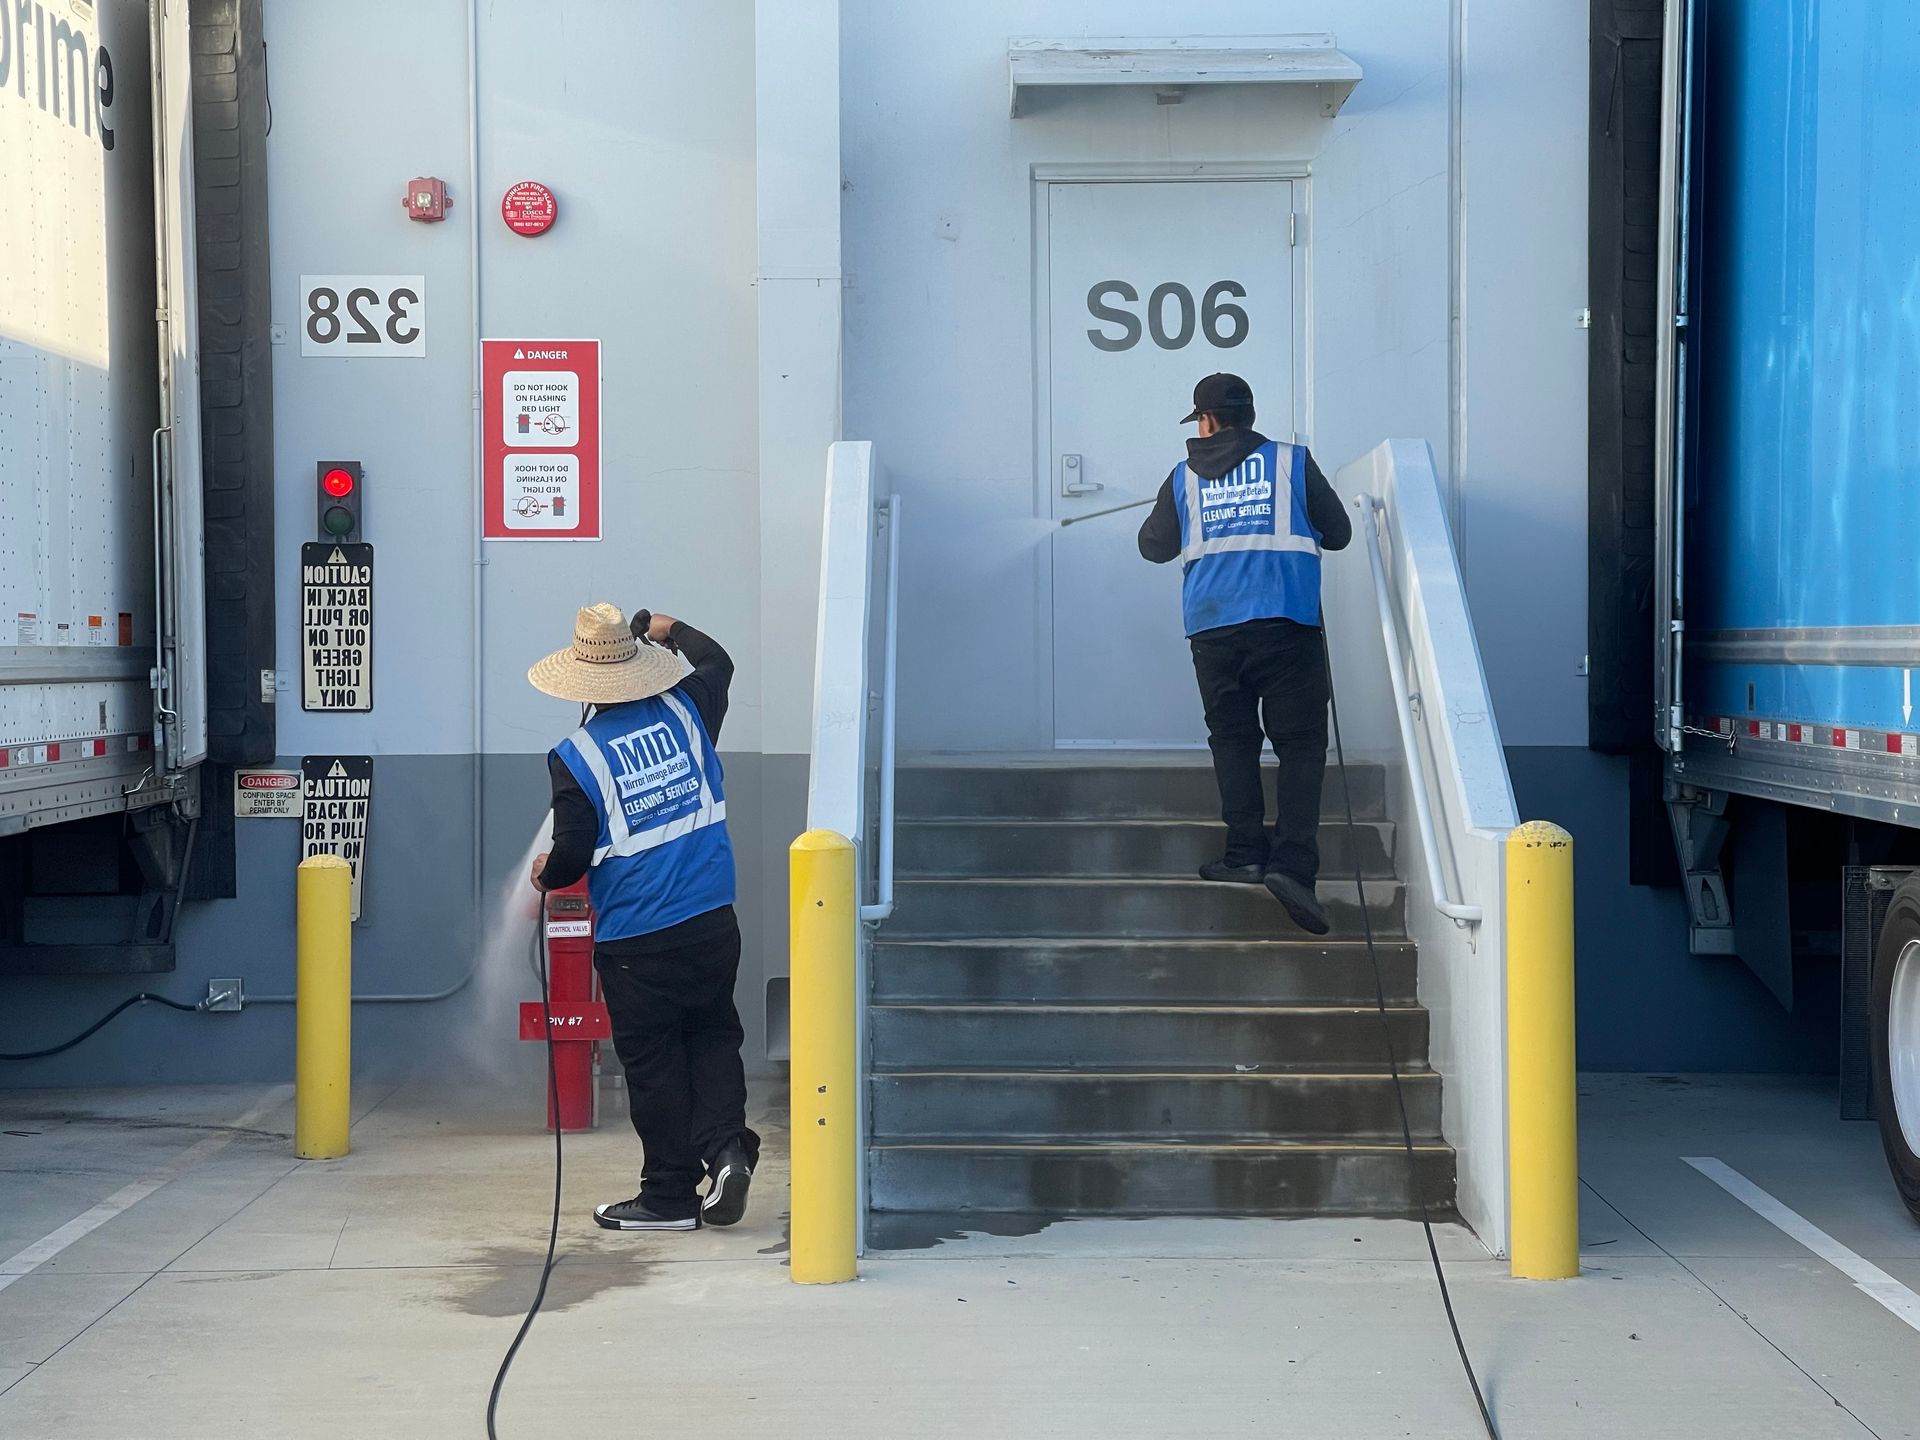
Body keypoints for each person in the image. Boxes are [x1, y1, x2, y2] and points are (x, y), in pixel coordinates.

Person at [526, 603, 758, 1231]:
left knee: (655, 1065)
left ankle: (668, 1197)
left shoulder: (575, 755)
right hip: (713, 917)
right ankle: (728, 1148)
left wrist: (545, 874)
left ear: (579, 681)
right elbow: (719, 661)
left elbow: (573, 851)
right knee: (713, 1036)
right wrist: (668, 628)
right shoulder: (688, 710)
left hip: (638, 938)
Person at [1137, 373, 1353, 936]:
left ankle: (1244, 854)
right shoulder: (1292, 462)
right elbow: (1340, 533)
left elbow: (1152, 548)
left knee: (1233, 741)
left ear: (1205, 421)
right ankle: (1293, 867)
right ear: (1250, 416)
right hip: (1288, 624)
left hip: (1213, 629)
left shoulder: (1182, 477)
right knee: (1301, 746)